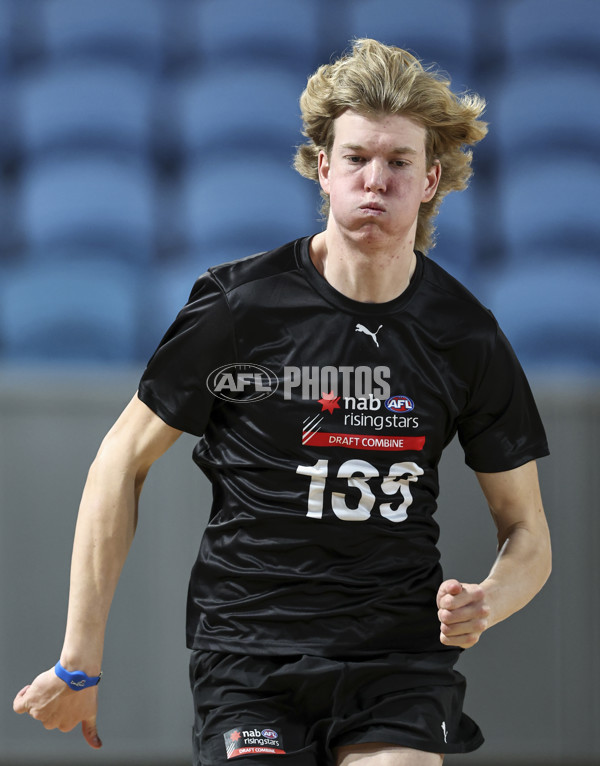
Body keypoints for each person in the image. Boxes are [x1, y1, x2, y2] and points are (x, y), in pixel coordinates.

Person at [13, 39, 551, 766]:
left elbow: (528, 535)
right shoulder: (242, 306)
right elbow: (120, 461)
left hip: (395, 661)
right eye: (357, 158)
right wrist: (79, 662)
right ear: (324, 169)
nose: (375, 180)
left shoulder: (465, 334)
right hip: (250, 657)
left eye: (398, 163)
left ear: (431, 180)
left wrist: (491, 599)